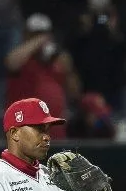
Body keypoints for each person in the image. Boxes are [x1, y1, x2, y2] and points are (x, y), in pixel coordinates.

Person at [5, 13, 81, 141]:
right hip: (25, 135)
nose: (42, 38)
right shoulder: (22, 60)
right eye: (35, 34)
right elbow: (11, 62)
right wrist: (38, 41)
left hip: (55, 133)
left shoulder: (57, 61)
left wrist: (69, 70)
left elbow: (75, 93)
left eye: (44, 33)